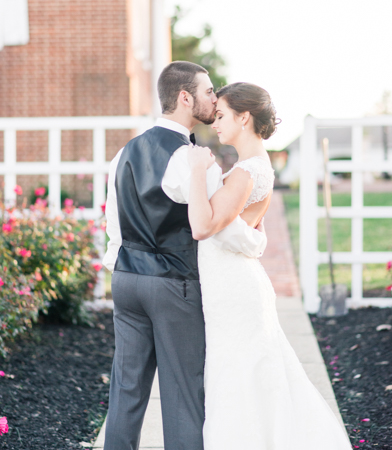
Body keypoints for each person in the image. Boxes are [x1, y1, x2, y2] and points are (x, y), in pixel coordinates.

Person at [180, 82, 351, 450]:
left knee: (238, 379)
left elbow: (203, 226)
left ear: (244, 118)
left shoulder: (246, 173)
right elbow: (241, 231)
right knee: (248, 378)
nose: (215, 123)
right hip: (233, 287)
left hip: (233, 292)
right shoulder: (255, 168)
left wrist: (196, 171)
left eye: (222, 115)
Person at [102, 61, 264, 450]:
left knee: (126, 391)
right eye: (209, 92)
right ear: (185, 97)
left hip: (125, 280)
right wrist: (256, 240)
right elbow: (217, 232)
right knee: (183, 396)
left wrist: (120, 268)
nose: (215, 97)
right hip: (173, 286)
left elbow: (113, 227)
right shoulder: (195, 160)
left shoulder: (123, 153)